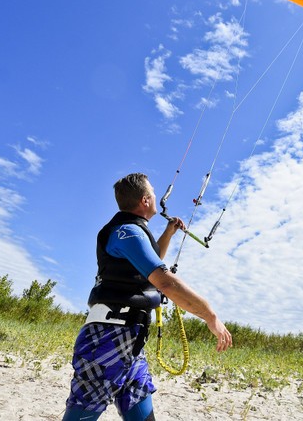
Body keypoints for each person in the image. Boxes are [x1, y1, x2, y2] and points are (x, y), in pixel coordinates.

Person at [62, 173, 233, 421]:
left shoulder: (133, 232)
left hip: (133, 343)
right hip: (106, 340)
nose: (156, 195)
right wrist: (210, 315)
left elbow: (148, 265)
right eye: (153, 192)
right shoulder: (127, 232)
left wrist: (168, 233)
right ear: (145, 200)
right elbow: (165, 282)